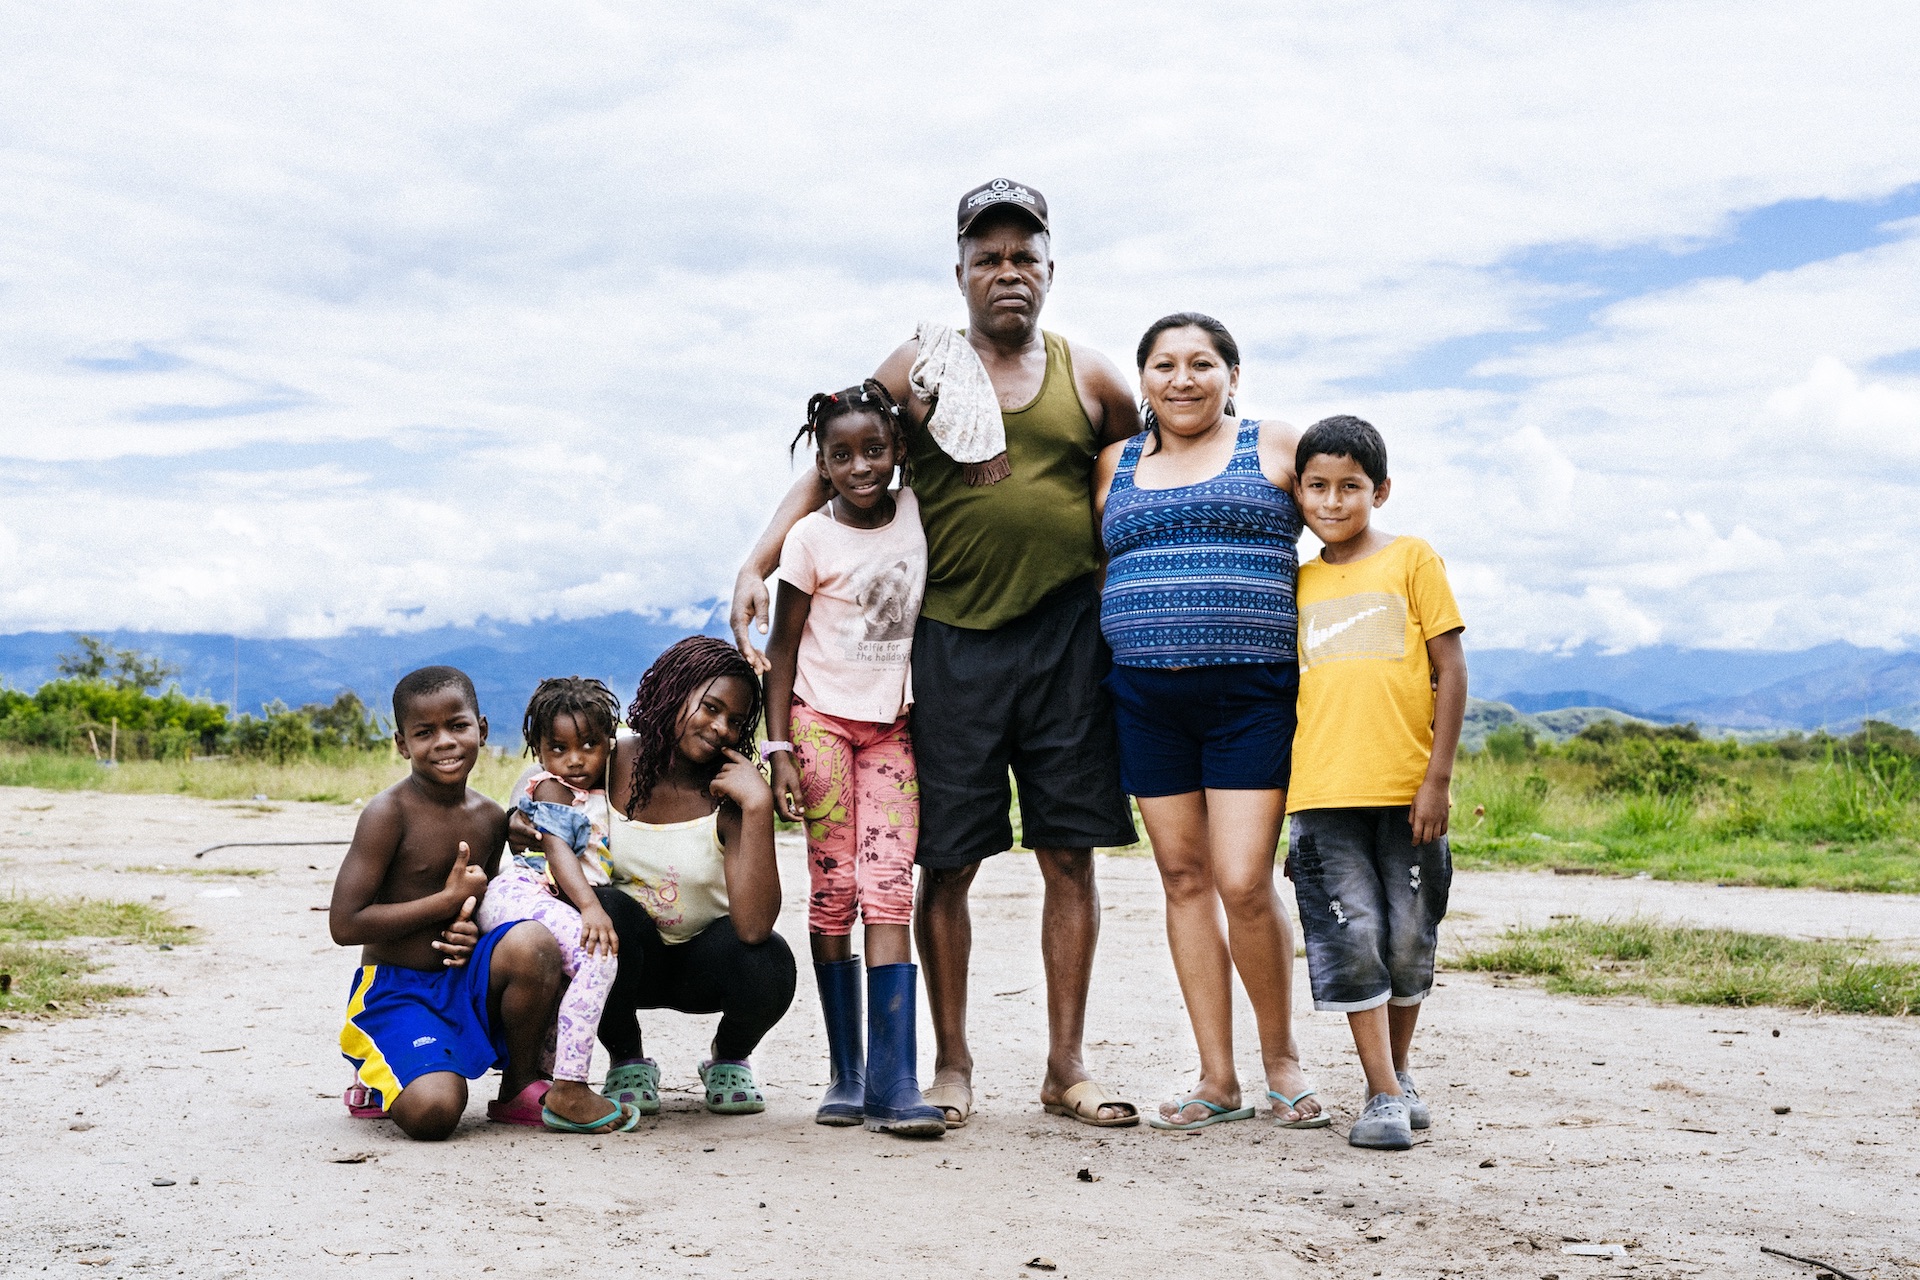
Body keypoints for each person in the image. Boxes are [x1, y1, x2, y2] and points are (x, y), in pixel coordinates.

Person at [732, 180, 1141, 1128]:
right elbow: (832, 459)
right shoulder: (921, 366)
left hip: (1066, 646)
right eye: (987, 257)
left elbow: (1145, 473)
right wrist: (758, 559)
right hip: (950, 646)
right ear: (958, 272)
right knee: (947, 863)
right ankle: (950, 1064)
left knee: (1069, 856)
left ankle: (1065, 1067)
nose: (1008, 272)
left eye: (1024, 257)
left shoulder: (1093, 379)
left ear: (1050, 271)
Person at [1092, 313, 1326, 1132]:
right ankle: (1217, 1079)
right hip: (1145, 698)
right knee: (1183, 880)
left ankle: (1284, 1063)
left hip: (1250, 695)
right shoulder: (1114, 465)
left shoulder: (1276, 446)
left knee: (1242, 880)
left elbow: (1339, 522)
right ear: (1143, 379)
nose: (1181, 379)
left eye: (1201, 364)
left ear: (1233, 374)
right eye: (1163, 365)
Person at [762, 379, 944, 1137]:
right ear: (823, 465)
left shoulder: (915, 507)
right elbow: (778, 650)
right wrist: (777, 751)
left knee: (891, 886)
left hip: (891, 729)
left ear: (898, 451)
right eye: (843, 455)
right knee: (834, 888)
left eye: (875, 449)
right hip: (819, 726)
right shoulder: (808, 539)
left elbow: (944, 432)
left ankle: (897, 1085)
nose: (862, 466)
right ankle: (848, 1073)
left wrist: (923, 407)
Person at [1285, 415, 1467, 1151]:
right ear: (1297, 491)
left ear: (1380, 491)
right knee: (1350, 937)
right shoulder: (1296, 581)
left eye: (1350, 486)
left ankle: (1394, 1072)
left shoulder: (1413, 560)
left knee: (1407, 938)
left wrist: (1438, 778)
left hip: (1406, 789)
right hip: (1323, 792)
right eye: (1318, 486)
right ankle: (1385, 1095)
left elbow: (1450, 670)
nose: (1332, 500)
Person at [330, 665, 574, 1141]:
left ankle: (520, 1085)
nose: (443, 742)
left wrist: (472, 932)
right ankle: (382, 1071)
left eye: (457, 726)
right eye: (425, 733)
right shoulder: (387, 814)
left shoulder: (488, 818)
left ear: (481, 731)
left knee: (533, 942)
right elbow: (345, 923)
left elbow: (483, 905)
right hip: (397, 991)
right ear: (402, 744)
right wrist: (445, 902)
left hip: (460, 981)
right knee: (435, 1113)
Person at [586, 636, 797, 1118]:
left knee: (771, 961)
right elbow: (547, 782)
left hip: (702, 963)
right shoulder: (609, 757)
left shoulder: (730, 792)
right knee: (607, 908)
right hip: (623, 958)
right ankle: (627, 1059)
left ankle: (729, 1058)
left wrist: (759, 806)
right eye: (711, 708)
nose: (721, 728)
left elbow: (753, 928)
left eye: (736, 721)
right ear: (671, 691)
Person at [471, 677, 632, 1133]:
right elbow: (557, 847)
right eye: (558, 748)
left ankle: (526, 1090)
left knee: (566, 983)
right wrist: (591, 907)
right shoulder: (552, 788)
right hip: (522, 893)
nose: (575, 759)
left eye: (588, 745)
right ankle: (571, 1086)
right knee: (597, 957)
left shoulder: (603, 793)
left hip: (537, 898)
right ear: (539, 751)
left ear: (610, 743)